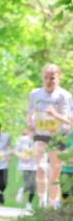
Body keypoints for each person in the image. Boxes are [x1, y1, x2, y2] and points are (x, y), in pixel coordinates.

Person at [28, 63, 72, 209]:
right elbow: (30, 113)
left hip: (58, 136)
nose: (48, 81)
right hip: (40, 135)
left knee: (55, 171)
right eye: (46, 77)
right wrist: (30, 124)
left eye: (52, 78)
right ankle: (42, 201)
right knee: (40, 167)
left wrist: (55, 115)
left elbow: (68, 121)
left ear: (58, 78)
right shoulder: (35, 94)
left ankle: (53, 205)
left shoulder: (64, 96)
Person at [14, 127, 37, 210]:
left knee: (34, 185)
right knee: (29, 183)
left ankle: (29, 203)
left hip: (35, 165)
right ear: (28, 131)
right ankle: (22, 190)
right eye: (32, 131)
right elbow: (16, 150)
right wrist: (22, 156)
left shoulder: (39, 141)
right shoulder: (22, 139)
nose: (33, 133)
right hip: (25, 165)